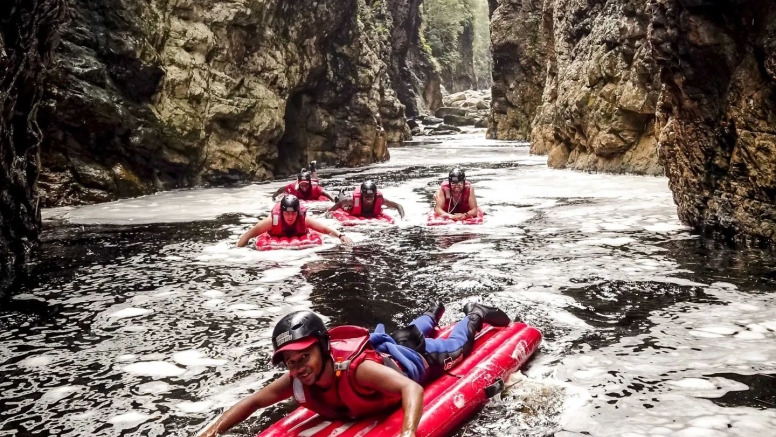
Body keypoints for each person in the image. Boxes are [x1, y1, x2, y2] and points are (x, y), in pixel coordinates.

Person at [196, 302, 511, 437]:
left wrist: (408, 432)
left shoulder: (356, 370)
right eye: (290, 361)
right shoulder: (296, 380)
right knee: (404, 331)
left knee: (459, 345)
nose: (297, 367)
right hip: (390, 345)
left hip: (419, 358)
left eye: (303, 356)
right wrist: (213, 430)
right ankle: (431, 313)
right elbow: (253, 401)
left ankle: (474, 313)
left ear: (322, 347)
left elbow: (411, 389)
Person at [236, 195, 353, 247]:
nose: (290, 217)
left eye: (293, 213)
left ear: (298, 212)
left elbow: (324, 229)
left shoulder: (303, 219)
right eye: (287, 213)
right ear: (282, 212)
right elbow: (248, 235)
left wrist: (341, 236)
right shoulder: (272, 221)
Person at [327, 180, 405, 219]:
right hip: (350, 209)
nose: (368, 199)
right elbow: (340, 204)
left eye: (371, 196)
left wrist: (402, 216)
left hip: (366, 214)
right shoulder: (354, 201)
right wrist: (330, 212)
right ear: (362, 195)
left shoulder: (380, 200)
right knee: (343, 203)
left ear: (374, 195)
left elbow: (397, 205)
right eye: (366, 196)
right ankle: (341, 192)